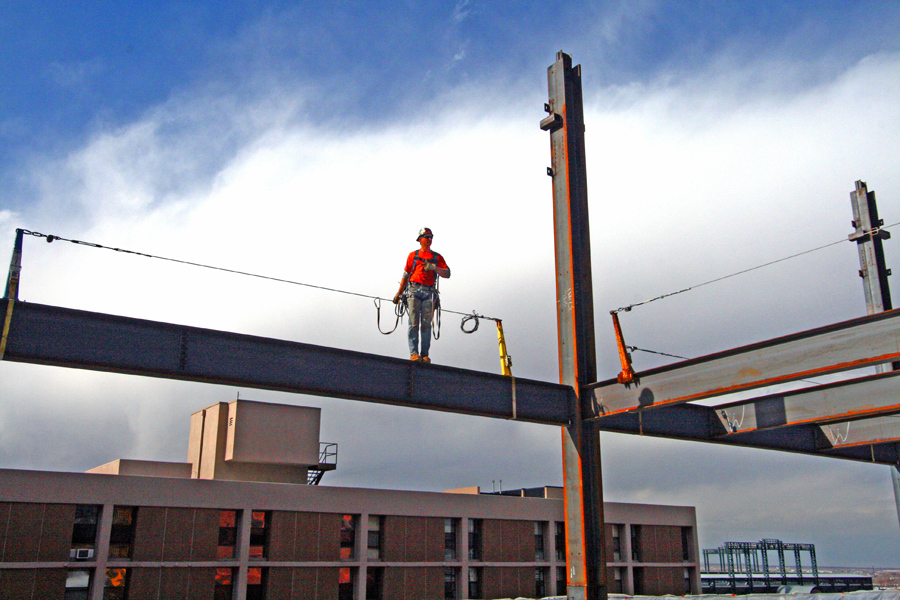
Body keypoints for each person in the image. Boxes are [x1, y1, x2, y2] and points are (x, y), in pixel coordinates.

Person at [393, 227, 451, 363]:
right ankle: (414, 353)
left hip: (429, 292)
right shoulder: (413, 255)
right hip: (413, 290)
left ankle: (424, 355)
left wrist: (434, 268)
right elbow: (406, 275)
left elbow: (447, 273)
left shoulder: (437, 257)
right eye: (426, 237)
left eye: (431, 237)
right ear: (420, 239)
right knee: (413, 323)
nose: (429, 239)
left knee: (426, 325)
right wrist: (399, 293)